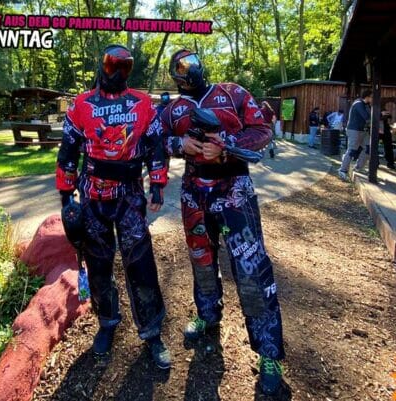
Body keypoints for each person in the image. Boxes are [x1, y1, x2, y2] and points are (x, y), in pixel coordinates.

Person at [161, 49, 286, 396]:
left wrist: (226, 146)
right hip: (193, 193)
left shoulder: (232, 93)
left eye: (191, 63)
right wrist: (180, 144)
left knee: (251, 270)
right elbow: (155, 140)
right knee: (201, 261)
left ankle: (269, 353)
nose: (188, 71)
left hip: (235, 190)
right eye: (180, 67)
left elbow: (261, 130)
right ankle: (207, 315)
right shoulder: (172, 109)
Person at [55, 44, 171, 369]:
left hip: (130, 195)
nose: (118, 72)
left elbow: (156, 145)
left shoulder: (143, 103)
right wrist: (66, 196)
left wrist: (158, 184)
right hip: (93, 195)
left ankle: (152, 331)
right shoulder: (80, 105)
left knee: (141, 262)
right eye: (111, 64)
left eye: (125, 66)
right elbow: (68, 150)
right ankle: (107, 321)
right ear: (101, 66)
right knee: (98, 262)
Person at [338, 90, 372, 181]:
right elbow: (367, 117)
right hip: (354, 130)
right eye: (372, 97)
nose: (373, 99)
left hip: (364, 131)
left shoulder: (366, 105)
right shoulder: (358, 103)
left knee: (368, 149)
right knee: (352, 150)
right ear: (367, 97)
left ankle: (358, 167)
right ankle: (342, 170)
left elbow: (369, 116)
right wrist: (379, 115)